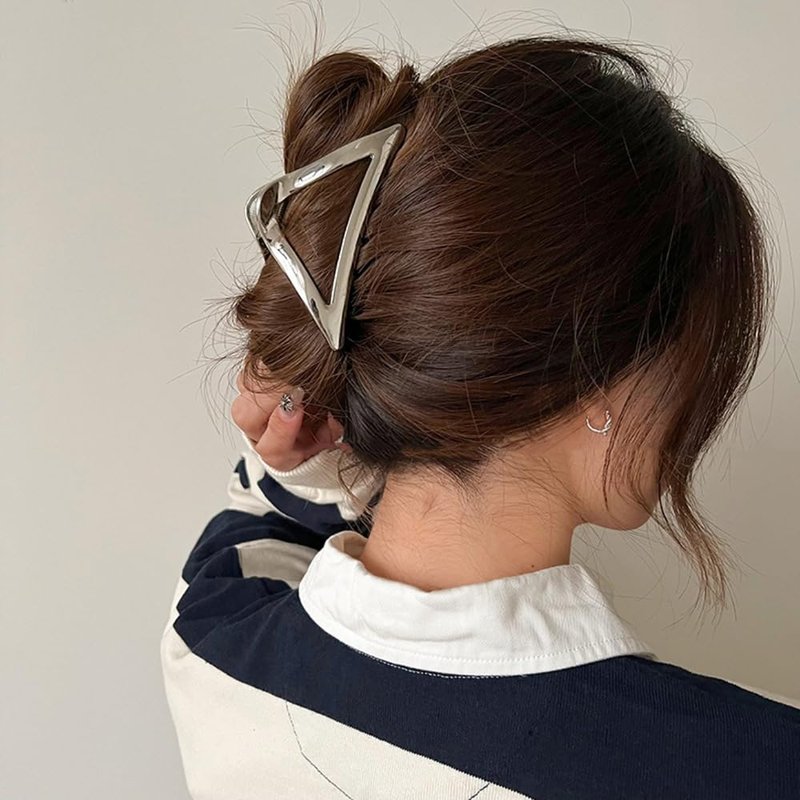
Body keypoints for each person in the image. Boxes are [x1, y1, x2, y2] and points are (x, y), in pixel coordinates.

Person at [160, 32, 800, 799]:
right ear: (604, 372)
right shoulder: (754, 763)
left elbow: (260, 512)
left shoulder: (213, 642)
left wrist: (314, 423)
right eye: (693, 351)